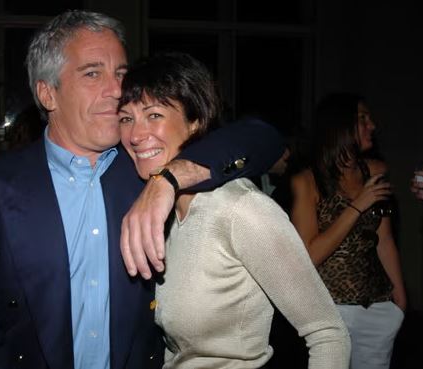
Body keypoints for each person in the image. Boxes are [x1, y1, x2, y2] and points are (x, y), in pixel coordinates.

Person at [0, 10, 285, 369]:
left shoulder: (148, 165)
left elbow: (264, 137)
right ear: (48, 93)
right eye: (93, 73)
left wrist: (168, 180)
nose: (116, 91)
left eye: (121, 74)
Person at [117, 52, 350, 369]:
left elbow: (329, 335)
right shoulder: (159, 213)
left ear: (195, 121)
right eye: (126, 119)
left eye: (154, 115)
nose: (135, 134)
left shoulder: (238, 208)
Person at [291, 93, 406, 369]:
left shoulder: (375, 171)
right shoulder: (307, 181)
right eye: (362, 119)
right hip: (329, 310)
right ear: (338, 127)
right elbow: (309, 255)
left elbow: (384, 239)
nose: (372, 126)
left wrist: (400, 299)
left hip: (378, 307)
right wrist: (357, 206)